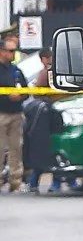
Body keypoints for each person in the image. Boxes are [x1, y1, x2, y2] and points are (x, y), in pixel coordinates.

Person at [0, 36, 29, 194]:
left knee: (16, 148)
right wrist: (6, 97)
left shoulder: (16, 70)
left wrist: (21, 95)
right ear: (2, 51)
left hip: (16, 114)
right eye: (10, 51)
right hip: (1, 114)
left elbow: (26, 91)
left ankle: (15, 181)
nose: (13, 54)